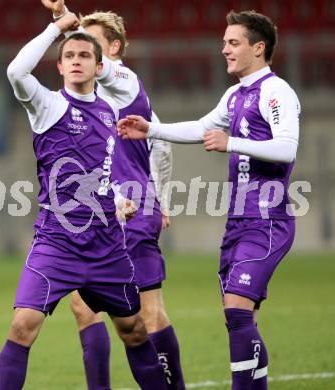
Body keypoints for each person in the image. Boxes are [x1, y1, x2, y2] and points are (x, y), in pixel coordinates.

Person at [118, 10, 300, 390]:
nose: (225, 50)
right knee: (240, 316)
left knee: (237, 310)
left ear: (259, 47)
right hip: (238, 222)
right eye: (224, 43)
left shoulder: (276, 91)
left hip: (268, 220)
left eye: (233, 43)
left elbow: (286, 147)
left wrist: (230, 142)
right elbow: (201, 127)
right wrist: (152, 129)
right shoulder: (235, 95)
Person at [0, 12, 168, 390]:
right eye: (68, 55)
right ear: (58, 66)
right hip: (56, 243)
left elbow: (103, 174)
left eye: (84, 55)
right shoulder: (47, 106)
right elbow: (16, 72)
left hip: (106, 246)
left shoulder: (109, 113)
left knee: (134, 331)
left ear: (99, 65)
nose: (75, 59)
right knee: (23, 326)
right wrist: (57, 27)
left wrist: (120, 198)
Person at [41, 1, 185, 389]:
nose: (80, 52)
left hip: (132, 212)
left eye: (91, 45)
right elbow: (163, 147)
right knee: (83, 306)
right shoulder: (99, 102)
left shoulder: (122, 79)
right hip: (114, 211)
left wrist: (61, 19)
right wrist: (164, 197)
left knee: (148, 314)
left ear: (114, 49)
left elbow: (88, 61)